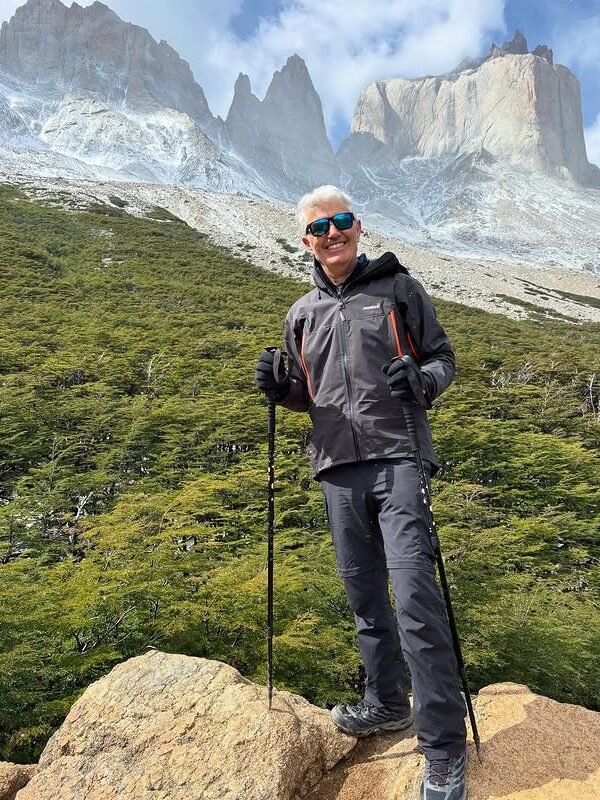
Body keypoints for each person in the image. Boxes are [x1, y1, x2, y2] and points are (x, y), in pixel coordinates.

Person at [255, 185, 468, 800]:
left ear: (358, 226)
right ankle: (385, 703)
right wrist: (279, 388)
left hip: (398, 455)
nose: (333, 233)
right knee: (364, 595)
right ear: (306, 241)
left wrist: (421, 379)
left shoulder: (400, 290)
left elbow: (443, 359)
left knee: (416, 596)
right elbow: (306, 392)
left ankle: (444, 750)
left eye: (342, 222)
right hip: (336, 467)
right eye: (320, 228)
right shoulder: (302, 312)